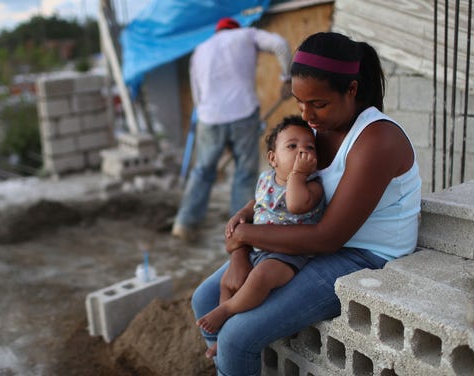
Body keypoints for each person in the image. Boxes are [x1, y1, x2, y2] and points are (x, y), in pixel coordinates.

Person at [191, 31, 422, 375]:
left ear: (352, 90)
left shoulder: (376, 140)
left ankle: (231, 358)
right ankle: (226, 362)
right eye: (300, 103)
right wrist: (240, 248)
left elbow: (329, 238)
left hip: (361, 254)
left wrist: (248, 237)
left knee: (239, 338)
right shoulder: (317, 130)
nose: (307, 114)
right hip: (307, 236)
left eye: (318, 103)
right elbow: (277, 188)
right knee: (205, 298)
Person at [196, 115, 325, 359]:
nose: (302, 152)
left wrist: (297, 174)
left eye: (309, 147)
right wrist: (244, 213)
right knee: (227, 283)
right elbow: (258, 201)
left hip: (288, 255)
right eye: (292, 146)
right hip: (259, 249)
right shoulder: (266, 179)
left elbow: (296, 205)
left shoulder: (312, 186)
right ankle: (223, 337)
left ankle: (227, 310)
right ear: (273, 158)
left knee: (260, 278)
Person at [171, 17, 293, 241]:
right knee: (245, 174)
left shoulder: (201, 49)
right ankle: (239, 230)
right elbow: (280, 44)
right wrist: (287, 78)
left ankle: (184, 224)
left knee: (202, 171)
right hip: (243, 114)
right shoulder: (248, 35)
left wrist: (207, 114)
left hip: (209, 117)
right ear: (236, 28)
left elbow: (196, 91)